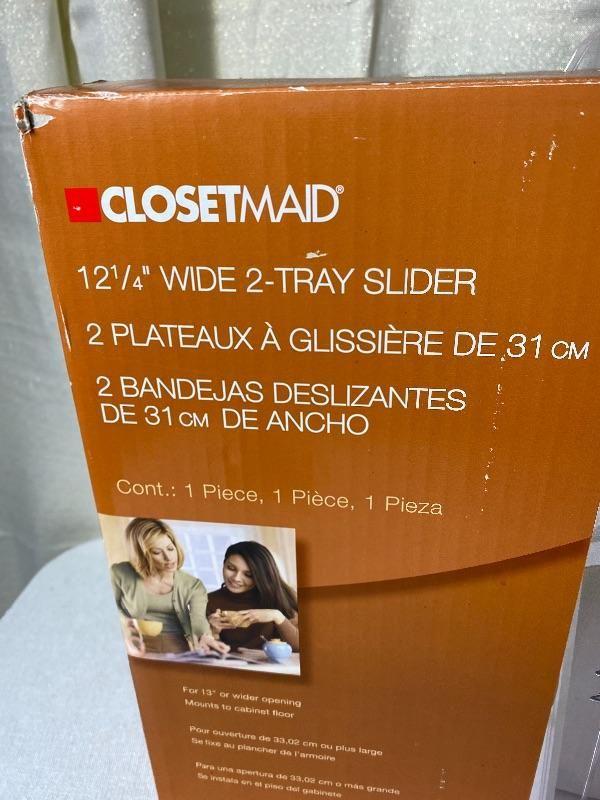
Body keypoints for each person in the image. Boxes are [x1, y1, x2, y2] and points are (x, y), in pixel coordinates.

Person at [111, 517, 229, 657]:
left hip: (176, 649)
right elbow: (111, 610)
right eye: (157, 552)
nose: (169, 558)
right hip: (134, 646)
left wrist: (206, 638)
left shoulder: (193, 585)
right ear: (141, 554)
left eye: (170, 548)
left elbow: (198, 619)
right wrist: (126, 631)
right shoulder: (120, 573)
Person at [207, 541, 299, 652]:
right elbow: (210, 655)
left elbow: (301, 647)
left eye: (248, 574)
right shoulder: (208, 601)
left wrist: (276, 616)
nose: (236, 578)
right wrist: (213, 633)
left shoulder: (284, 596)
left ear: (262, 576)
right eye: (231, 568)